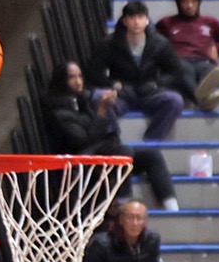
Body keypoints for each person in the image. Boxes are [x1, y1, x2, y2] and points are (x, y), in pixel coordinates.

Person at [45, 60, 178, 211]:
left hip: (104, 155)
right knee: (122, 153)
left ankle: (172, 207)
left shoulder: (83, 100)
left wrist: (110, 98)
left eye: (80, 76)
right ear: (62, 81)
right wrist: (101, 111)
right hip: (81, 163)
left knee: (151, 155)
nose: (78, 82)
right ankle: (122, 204)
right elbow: (82, 141)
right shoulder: (59, 112)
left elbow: (104, 126)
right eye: (72, 77)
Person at [88, 0, 186, 143]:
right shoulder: (109, 43)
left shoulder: (160, 43)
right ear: (125, 20)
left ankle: (150, 143)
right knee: (98, 97)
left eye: (140, 17)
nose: (136, 22)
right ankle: (113, 141)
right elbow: (93, 72)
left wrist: (156, 84)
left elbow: (176, 72)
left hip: (149, 93)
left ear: (147, 20)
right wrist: (112, 83)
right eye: (132, 17)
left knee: (175, 101)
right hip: (121, 94)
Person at [156, 0, 219, 112]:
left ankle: (202, 95)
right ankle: (203, 100)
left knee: (210, 71)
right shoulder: (166, 23)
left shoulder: (210, 22)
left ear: (198, 2)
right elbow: (153, 41)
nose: (189, 5)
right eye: (185, 2)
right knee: (184, 70)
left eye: (193, 1)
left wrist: (217, 48)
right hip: (180, 60)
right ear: (178, 3)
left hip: (203, 59)